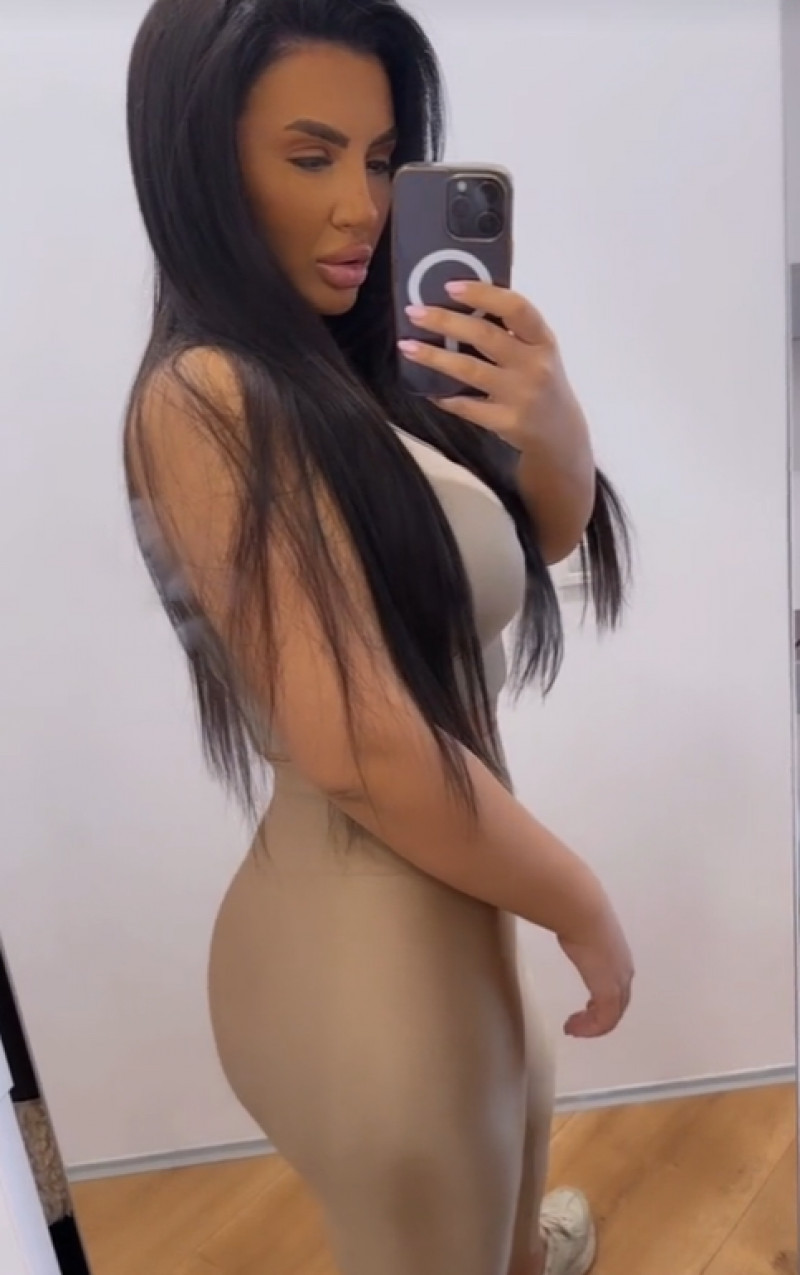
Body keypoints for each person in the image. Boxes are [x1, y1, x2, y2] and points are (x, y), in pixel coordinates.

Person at [123, 2, 634, 1273]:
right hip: (366, 952)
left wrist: (553, 429)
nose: (359, 208)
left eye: (379, 158)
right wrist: (579, 902)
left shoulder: (349, 373)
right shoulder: (206, 396)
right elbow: (355, 743)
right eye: (310, 157)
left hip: (450, 911)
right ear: (198, 162)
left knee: (504, 1236)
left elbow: (520, 552)